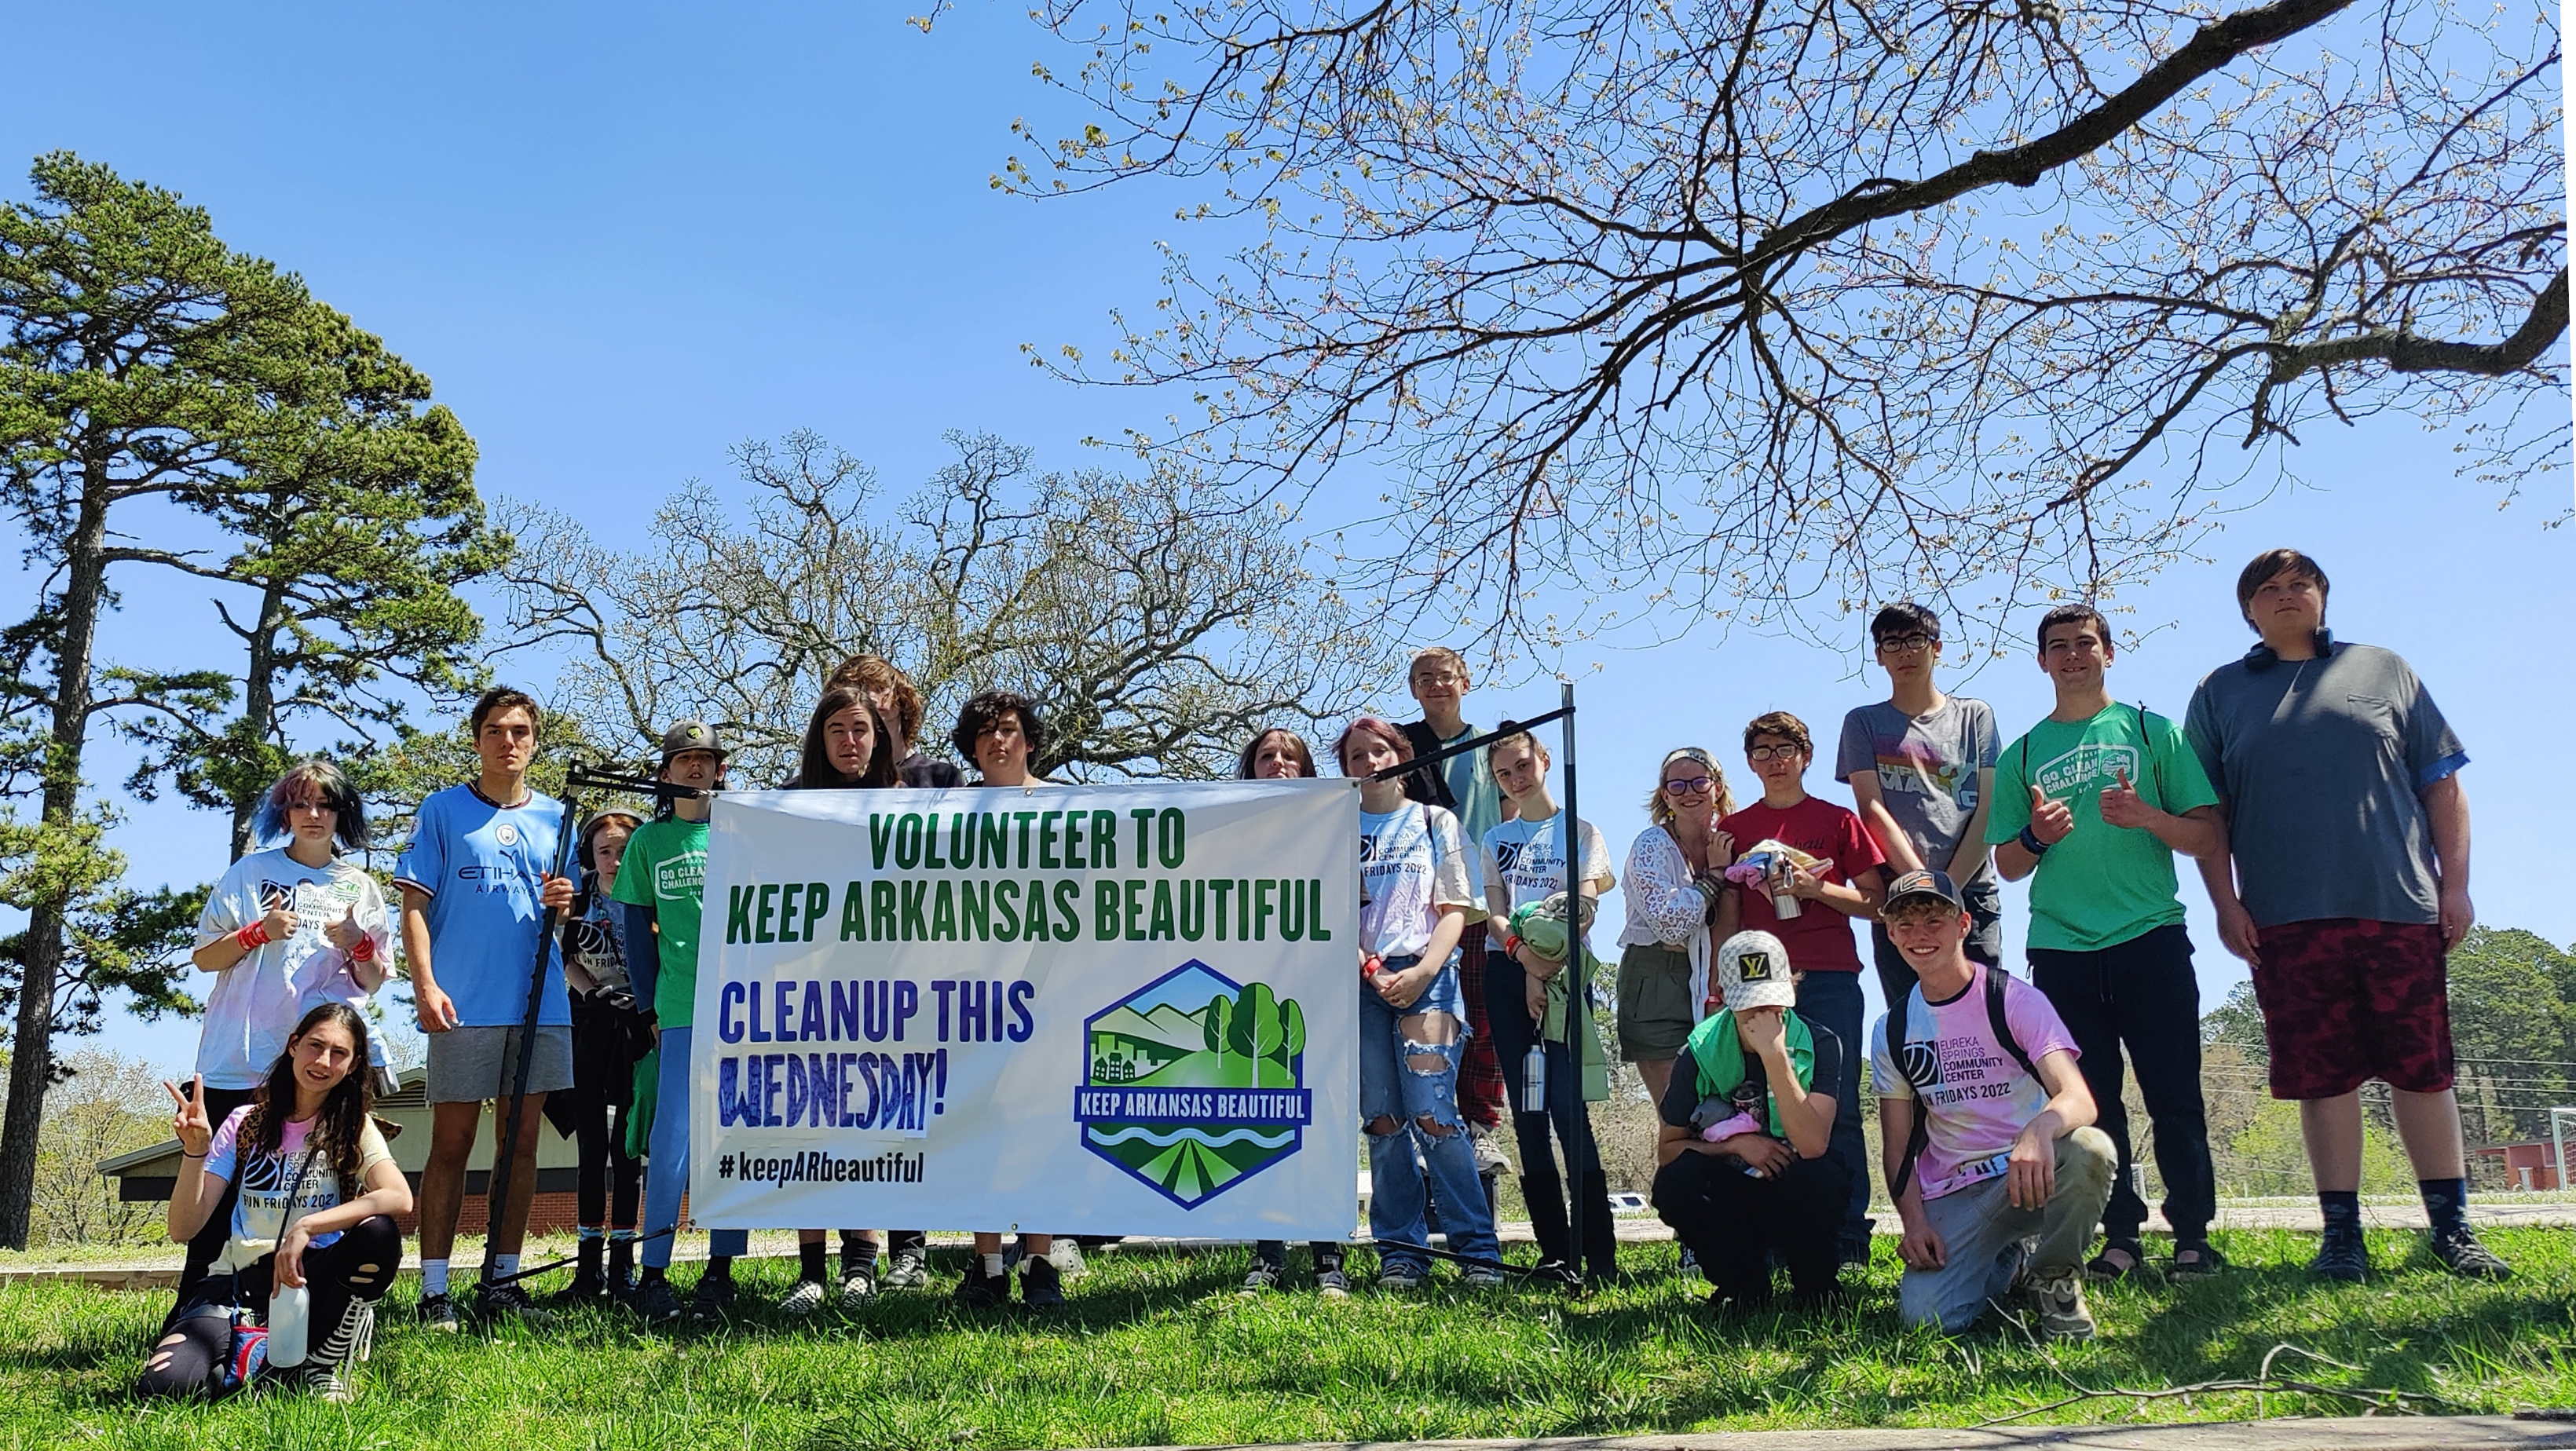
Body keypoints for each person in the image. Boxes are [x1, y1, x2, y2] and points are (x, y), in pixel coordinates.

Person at [2186, 549, 2508, 1281]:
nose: (2286, 596)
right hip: (2285, 920)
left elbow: (2443, 787)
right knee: (2320, 1078)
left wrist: (2453, 887)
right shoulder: (2219, 691)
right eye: (2268, 590)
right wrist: (2226, 903)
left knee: (2423, 1072)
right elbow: (2209, 814)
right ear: (2249, 611)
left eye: (2301, 584)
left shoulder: (2384, 669)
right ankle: (2341, 1237)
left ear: (2324, 597)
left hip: (2397, 907)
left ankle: (2451, 1228)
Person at [1985, 604, 2224, 1279]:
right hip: (2063, 947)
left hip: (2150, 935)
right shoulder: (2023, 754)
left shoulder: (2153, 733)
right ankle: (2119, 1235)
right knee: (2094, 1099)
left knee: (2175, 1092)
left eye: (2085, 644)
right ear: (2041, 661)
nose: (2072, 656)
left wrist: (2149, 817)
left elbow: (2206, 834)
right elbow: (2006, 863)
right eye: (2057, 647)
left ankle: (2193, 1236)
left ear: (2109, 653)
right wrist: (2037, 836)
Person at [394, 686, 578, 1329]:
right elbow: (413, 906)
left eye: (521, 731)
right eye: (497, 730)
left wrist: (567, 900)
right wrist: (425, 985)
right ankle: (434, 1290)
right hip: (462, 1003)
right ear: (477, 740)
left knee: (521, 1144)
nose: (509, 742)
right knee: (451, 1144)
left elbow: (567, 913)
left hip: (540, 1005)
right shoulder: (442, 811)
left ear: (535, 743)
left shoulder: (560, 818)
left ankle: (502, 1281)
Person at [179, 760, 391, 1303]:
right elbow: (205, 958)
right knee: (220, 1198)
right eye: (301, 804)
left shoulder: (360, 887)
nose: (314, 815)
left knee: (315, 1190)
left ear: (343, 813)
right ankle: (201, 1304)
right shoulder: (249, 874)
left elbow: (373, 979)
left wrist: (357, 942)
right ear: (284, 812)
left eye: (326, 805)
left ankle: (314, 1308)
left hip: (316, 1072)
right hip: (241, 1061)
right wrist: (257, 932)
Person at [1875, 870, 2114, 1340]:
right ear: (1890, 934)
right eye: (1905, 925)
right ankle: (2010, 1260)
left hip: (2029, 1174)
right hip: (1954, 1191)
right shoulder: (1892, 1027)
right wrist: (1913, 1222)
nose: (1920, 936)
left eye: (1934, 920)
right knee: (1927, 1321)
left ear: (1964, 925)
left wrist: (2039, 1130)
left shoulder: (2013, 1000)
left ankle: (2054, 1277)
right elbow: (1897, 1147)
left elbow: (2078, 1098)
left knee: (2090, 1149)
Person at [145, 1003, 412, 1402]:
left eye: (339, 1053)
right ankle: (261, 1364)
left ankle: (320, 1363)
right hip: (237, 1285)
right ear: (293, 1046)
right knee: (164, 1387)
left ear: (355, 1065)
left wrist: (306, 1228)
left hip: (314, 1280)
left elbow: (397, 1196)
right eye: (314, 1046)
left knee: (378, 1232)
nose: (322, 1061)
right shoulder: (244, 1121)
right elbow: (183, 1228)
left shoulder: (353, 1125)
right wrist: (195, 1152)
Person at [1712, 711, 1888, 1266]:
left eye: (1784, 748)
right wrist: (1721, 877)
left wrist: (1818, 887)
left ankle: (1848, 1237)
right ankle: (1774, 1237)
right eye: (1761, 751)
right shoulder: (1734, 831)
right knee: (1762, 1106)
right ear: (1750, 763)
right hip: (1760, 986)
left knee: (1838, 1109)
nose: (1774, 759)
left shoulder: (1838, 820)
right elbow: (1730, 919)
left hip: (1831, 976)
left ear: (1805, 757)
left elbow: (1878, 904)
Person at [1337, 718, 1505, 1289]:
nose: (1370, 764)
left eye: (1379, 751)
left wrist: (1426, 970)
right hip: (1361, 982)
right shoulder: (1333, 828)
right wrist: (1370, 968)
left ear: (1401, 756)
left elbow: (1456, 907)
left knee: (1435, 1114)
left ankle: (1477, 1250)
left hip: (1429, 977)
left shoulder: (1437, 822)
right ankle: (1401, 1254)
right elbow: (1330, 911)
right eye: (1356, 757)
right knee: (1382, 1122)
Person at [777, 689, 906, 1315]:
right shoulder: (788, 809)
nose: (849, 741)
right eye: (836, 729)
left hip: (886, 993)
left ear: (878, 736)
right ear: (819, 740)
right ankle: (810, 1271)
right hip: (806, 991)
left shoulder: (910, 807)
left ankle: (861, 1264)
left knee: (867, 1125)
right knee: (811, 1122)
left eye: (861, 728)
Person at [1480, 724, 1619, 1283]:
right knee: (1529, 1113)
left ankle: (1600, 1253)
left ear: (1544, 759)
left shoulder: (1582, 832)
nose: (1516, 778)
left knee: (1568, 1111)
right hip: (1509, 973)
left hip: (1566, 977)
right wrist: (1524, 959)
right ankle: (1554, 1252)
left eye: (1523, 765)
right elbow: (1493, 911)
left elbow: (1585, 904)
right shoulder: (1494, 839)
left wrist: (1548, 963)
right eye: (1504, 773)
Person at [614, 722, 741, 1323]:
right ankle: (655, 1272)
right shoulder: (647, 844)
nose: (696, 768)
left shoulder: (747, 831)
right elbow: (637, 935)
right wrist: (647, 1009)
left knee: (733, 1138)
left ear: (720, 769)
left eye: (706, 759)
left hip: (745, 1011)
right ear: (665, 773)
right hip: (681, 1010)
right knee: (671, 1144)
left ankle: (722, 1269)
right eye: (684, 759)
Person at [950, 689, 1070, 1309]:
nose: (999, 741)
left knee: (1039, 1125)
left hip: (1051, 993)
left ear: (1029, 739)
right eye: (986, 733)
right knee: (982, 1125)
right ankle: (988, 1263)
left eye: (1009, 730)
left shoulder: (1064, 806)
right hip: (971, 995)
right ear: (971, 747)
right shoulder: (949, 812)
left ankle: (1041, 1261)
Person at [1652, 929, 1847, 1310]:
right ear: (1723, 997)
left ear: (1791, 987)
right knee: (1677, 1183)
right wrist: (1735, 1145)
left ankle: (1816, 1286)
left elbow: (1812, 1145)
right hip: (1732, 1187)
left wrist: (1775, 1057)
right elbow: (1668, 1151)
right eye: (1749, 1005)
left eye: (1771, 1002)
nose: (1762, 1016)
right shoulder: (1698, 1052)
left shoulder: (1821, 1042)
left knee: (1823, 1176)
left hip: (1794, 1180)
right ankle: (1742, 1288)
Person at [1835, 603, 2004, 1011]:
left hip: (1974, 895)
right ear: (1878, 655)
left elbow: (1989, 808)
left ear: (1937, 647)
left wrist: (1950, 889)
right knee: (1913, 1023)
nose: (1904, 652)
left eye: (1915, 640)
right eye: (1891, 643)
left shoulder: (1974, 717)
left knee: (1987, 1018)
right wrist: (1922, 887)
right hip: (1900, 900)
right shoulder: (1863, 723)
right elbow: (1871, 808)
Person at [1235, 727, 1352, 1295]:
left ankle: (1328, 1255)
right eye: (1266, 756)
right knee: (1260, 1120)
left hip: (1320, 991)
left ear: (1307, 771)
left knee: (1320, 1119)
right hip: (1252, 992)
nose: (1278, 763)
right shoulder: (1232, 828)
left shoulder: (1334, 825)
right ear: (1250, 768)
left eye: (1290, 756)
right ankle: (1267, 1254)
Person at [1397, 648, 1514, 1190]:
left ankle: (1482, 1122)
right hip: (1420, 904)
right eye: (1425, 679)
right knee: (1432, 1024)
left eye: (1445, 677)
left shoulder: (1493, 747)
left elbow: (1513, 811)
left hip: (1478, 898)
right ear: (1414, 689)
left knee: (1484, 1018)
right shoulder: (1399, 747)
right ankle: (1429, 1123)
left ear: (1464, 682)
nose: (1436, 686)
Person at [552, 809, 648, 1303]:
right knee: (591, 1146)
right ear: (590, 854)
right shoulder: (580, 897)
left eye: (624, 850)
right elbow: (563, 953)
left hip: (640, 1027)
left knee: (627, 1147)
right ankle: (588, 1265)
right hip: (589, 1025)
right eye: (605, 850)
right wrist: (592, 993)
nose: (614, 860)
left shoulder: (650, 895)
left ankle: (624, 1264)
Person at [1617, 747, 1737, 1126]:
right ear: (1665, 795)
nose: (1690, 791)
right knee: (1680, 1116)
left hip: (1719, 976)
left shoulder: (1732, 841)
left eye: (1699, 781)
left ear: (1717, 787)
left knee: (1724, 1110)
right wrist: (1715, 878)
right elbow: (1670, 925)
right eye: (1677, 784)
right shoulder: (1651, 845)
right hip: (1656, 977)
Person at [827, 652, 965, 788]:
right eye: (859, 692)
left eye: (880, 689)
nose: (871, 697)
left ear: (902, 699)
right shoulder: (827, 783)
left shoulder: (941, 777)